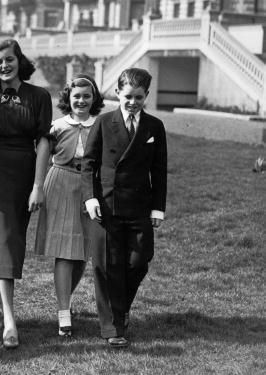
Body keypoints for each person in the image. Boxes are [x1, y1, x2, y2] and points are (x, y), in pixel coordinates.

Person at [0, 39, 52, 349]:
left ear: (19, 60)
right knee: (1, 240)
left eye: (9, 59)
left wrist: (37, 186)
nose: (4, 65)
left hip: (25, 174)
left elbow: (44, 142)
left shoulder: (39, 96)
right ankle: (9, 318)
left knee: (11, 242)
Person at [82, 67, 168, 348]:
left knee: (138, 261)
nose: (133, 102)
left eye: (139, 97)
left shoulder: (154, 126)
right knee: (107, 266)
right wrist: (90, 197)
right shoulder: (104, 122)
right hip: (106, 206)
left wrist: (158, 208)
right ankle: (113, 328)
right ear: (118, 93)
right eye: (128, 96)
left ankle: (120, 308)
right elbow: (89, 164)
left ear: (147, 96)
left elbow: (160, 169)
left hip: (140, 207)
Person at [34, 74, 108, 338]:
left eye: (87, 96)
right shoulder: (57, 126)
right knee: (64, 251)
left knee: (82, 253)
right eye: (76, 96)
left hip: (90, 188)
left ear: (94, 99)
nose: (81, 100)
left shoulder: (101, 125)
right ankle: (63, 312)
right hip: (61, 184)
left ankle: (67, 297)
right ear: (68, 98)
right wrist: (38, 188)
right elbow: (42, 156)